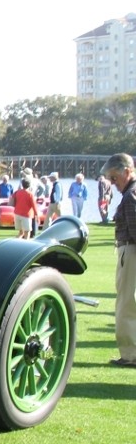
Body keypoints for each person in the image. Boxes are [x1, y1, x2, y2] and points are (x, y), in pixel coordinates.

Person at [103, 153, 136, 367]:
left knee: (126, 303)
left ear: (127, 171)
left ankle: (130, 354)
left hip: (130, 251)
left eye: (115, 178)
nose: (113, 184)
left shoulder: (130, 196)